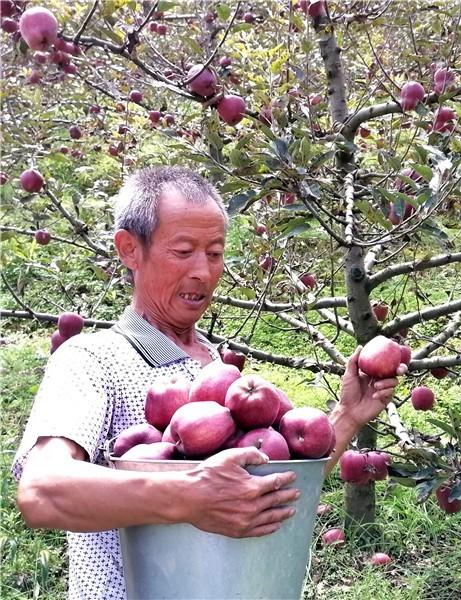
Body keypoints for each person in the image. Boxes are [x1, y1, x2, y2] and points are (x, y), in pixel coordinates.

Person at [12, 166, 403, 600]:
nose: (203, 271)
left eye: (215, 253)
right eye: (183, 251)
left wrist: (347, 416)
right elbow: (42, 492)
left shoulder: (216, 368)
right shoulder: (93, 360)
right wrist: (190, 493)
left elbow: (265, 489)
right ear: (129, 249)